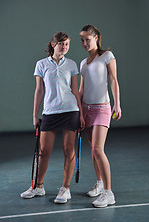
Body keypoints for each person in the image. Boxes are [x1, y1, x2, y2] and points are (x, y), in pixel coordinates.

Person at [21, 31, 85, 203]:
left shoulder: (71, 64)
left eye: (67, 44)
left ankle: (65, 189)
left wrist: (81, 114)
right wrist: (35, 115)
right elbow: (39, 91)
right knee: (43, 152)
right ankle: (38, 187)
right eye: (61, 43)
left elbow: (75, 90)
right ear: (52, 44)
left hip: (70, 111)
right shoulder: (41, 65)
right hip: (49, 112)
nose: (64, 47)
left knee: (68, 150)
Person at [79, 25, 121, 208]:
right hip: (86, 109)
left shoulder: (107, 56)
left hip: (102, 109)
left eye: (87, 39)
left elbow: (113, 80)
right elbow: (81, 89)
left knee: (98, 149)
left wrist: (117, 104)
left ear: (96, 38)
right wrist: (78, 112)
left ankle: (109, 193)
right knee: (92, 150)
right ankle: (100, 183)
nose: (84, 43)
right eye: (82, 40)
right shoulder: (83, 63)